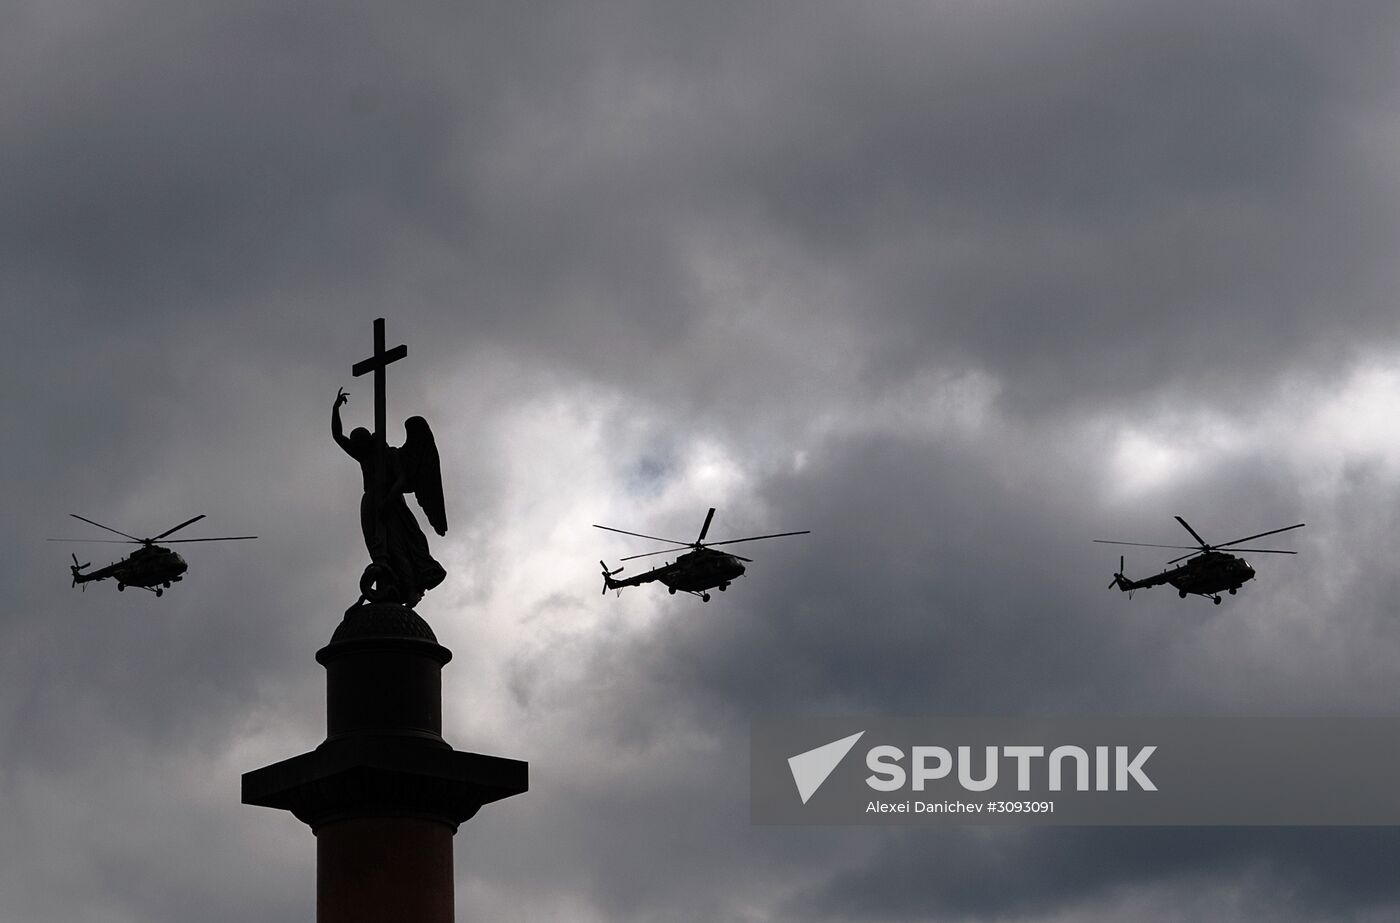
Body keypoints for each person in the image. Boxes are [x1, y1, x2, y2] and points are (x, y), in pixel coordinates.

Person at [332, 388, 446, 607]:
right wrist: (335, 409)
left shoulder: (390, 454)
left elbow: (402, 480)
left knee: (398, 547)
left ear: (368, 440)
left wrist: (387, 501)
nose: (356, 448)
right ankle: (387, 578)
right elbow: (338, 436)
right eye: (355, 445)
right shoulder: (363, 456)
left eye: (359, 443)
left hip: (392, 503)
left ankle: (410, 589)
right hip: (370, 502)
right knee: (377, 547)